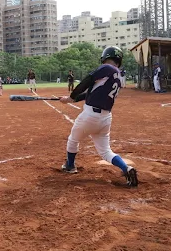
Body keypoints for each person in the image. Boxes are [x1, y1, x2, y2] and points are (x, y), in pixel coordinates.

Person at [58, 46, 138, 187]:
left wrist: (71, 96)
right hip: (105, 118)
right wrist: (71, 99)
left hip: (90, 116)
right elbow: (91, 92)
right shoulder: (117, 75)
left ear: (105, 57)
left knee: (73, 140)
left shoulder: (106, 68)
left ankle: (70, 166)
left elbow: (86, 81)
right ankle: (127, 169)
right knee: (106, 151)